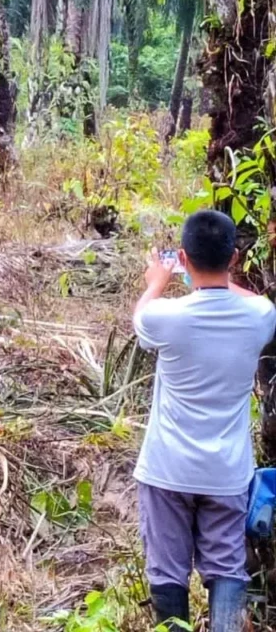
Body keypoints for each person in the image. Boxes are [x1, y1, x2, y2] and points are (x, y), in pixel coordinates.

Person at [134, 210, 276, 632]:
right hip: (227, 472)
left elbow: (141, 315)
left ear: (183, 256)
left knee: (167, 570)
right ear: (233, 257)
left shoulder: (167, 318)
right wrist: (215, 278)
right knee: (227, 566)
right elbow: (253, 300)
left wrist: (158, 281)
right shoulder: (261, 316)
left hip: (167, 469)